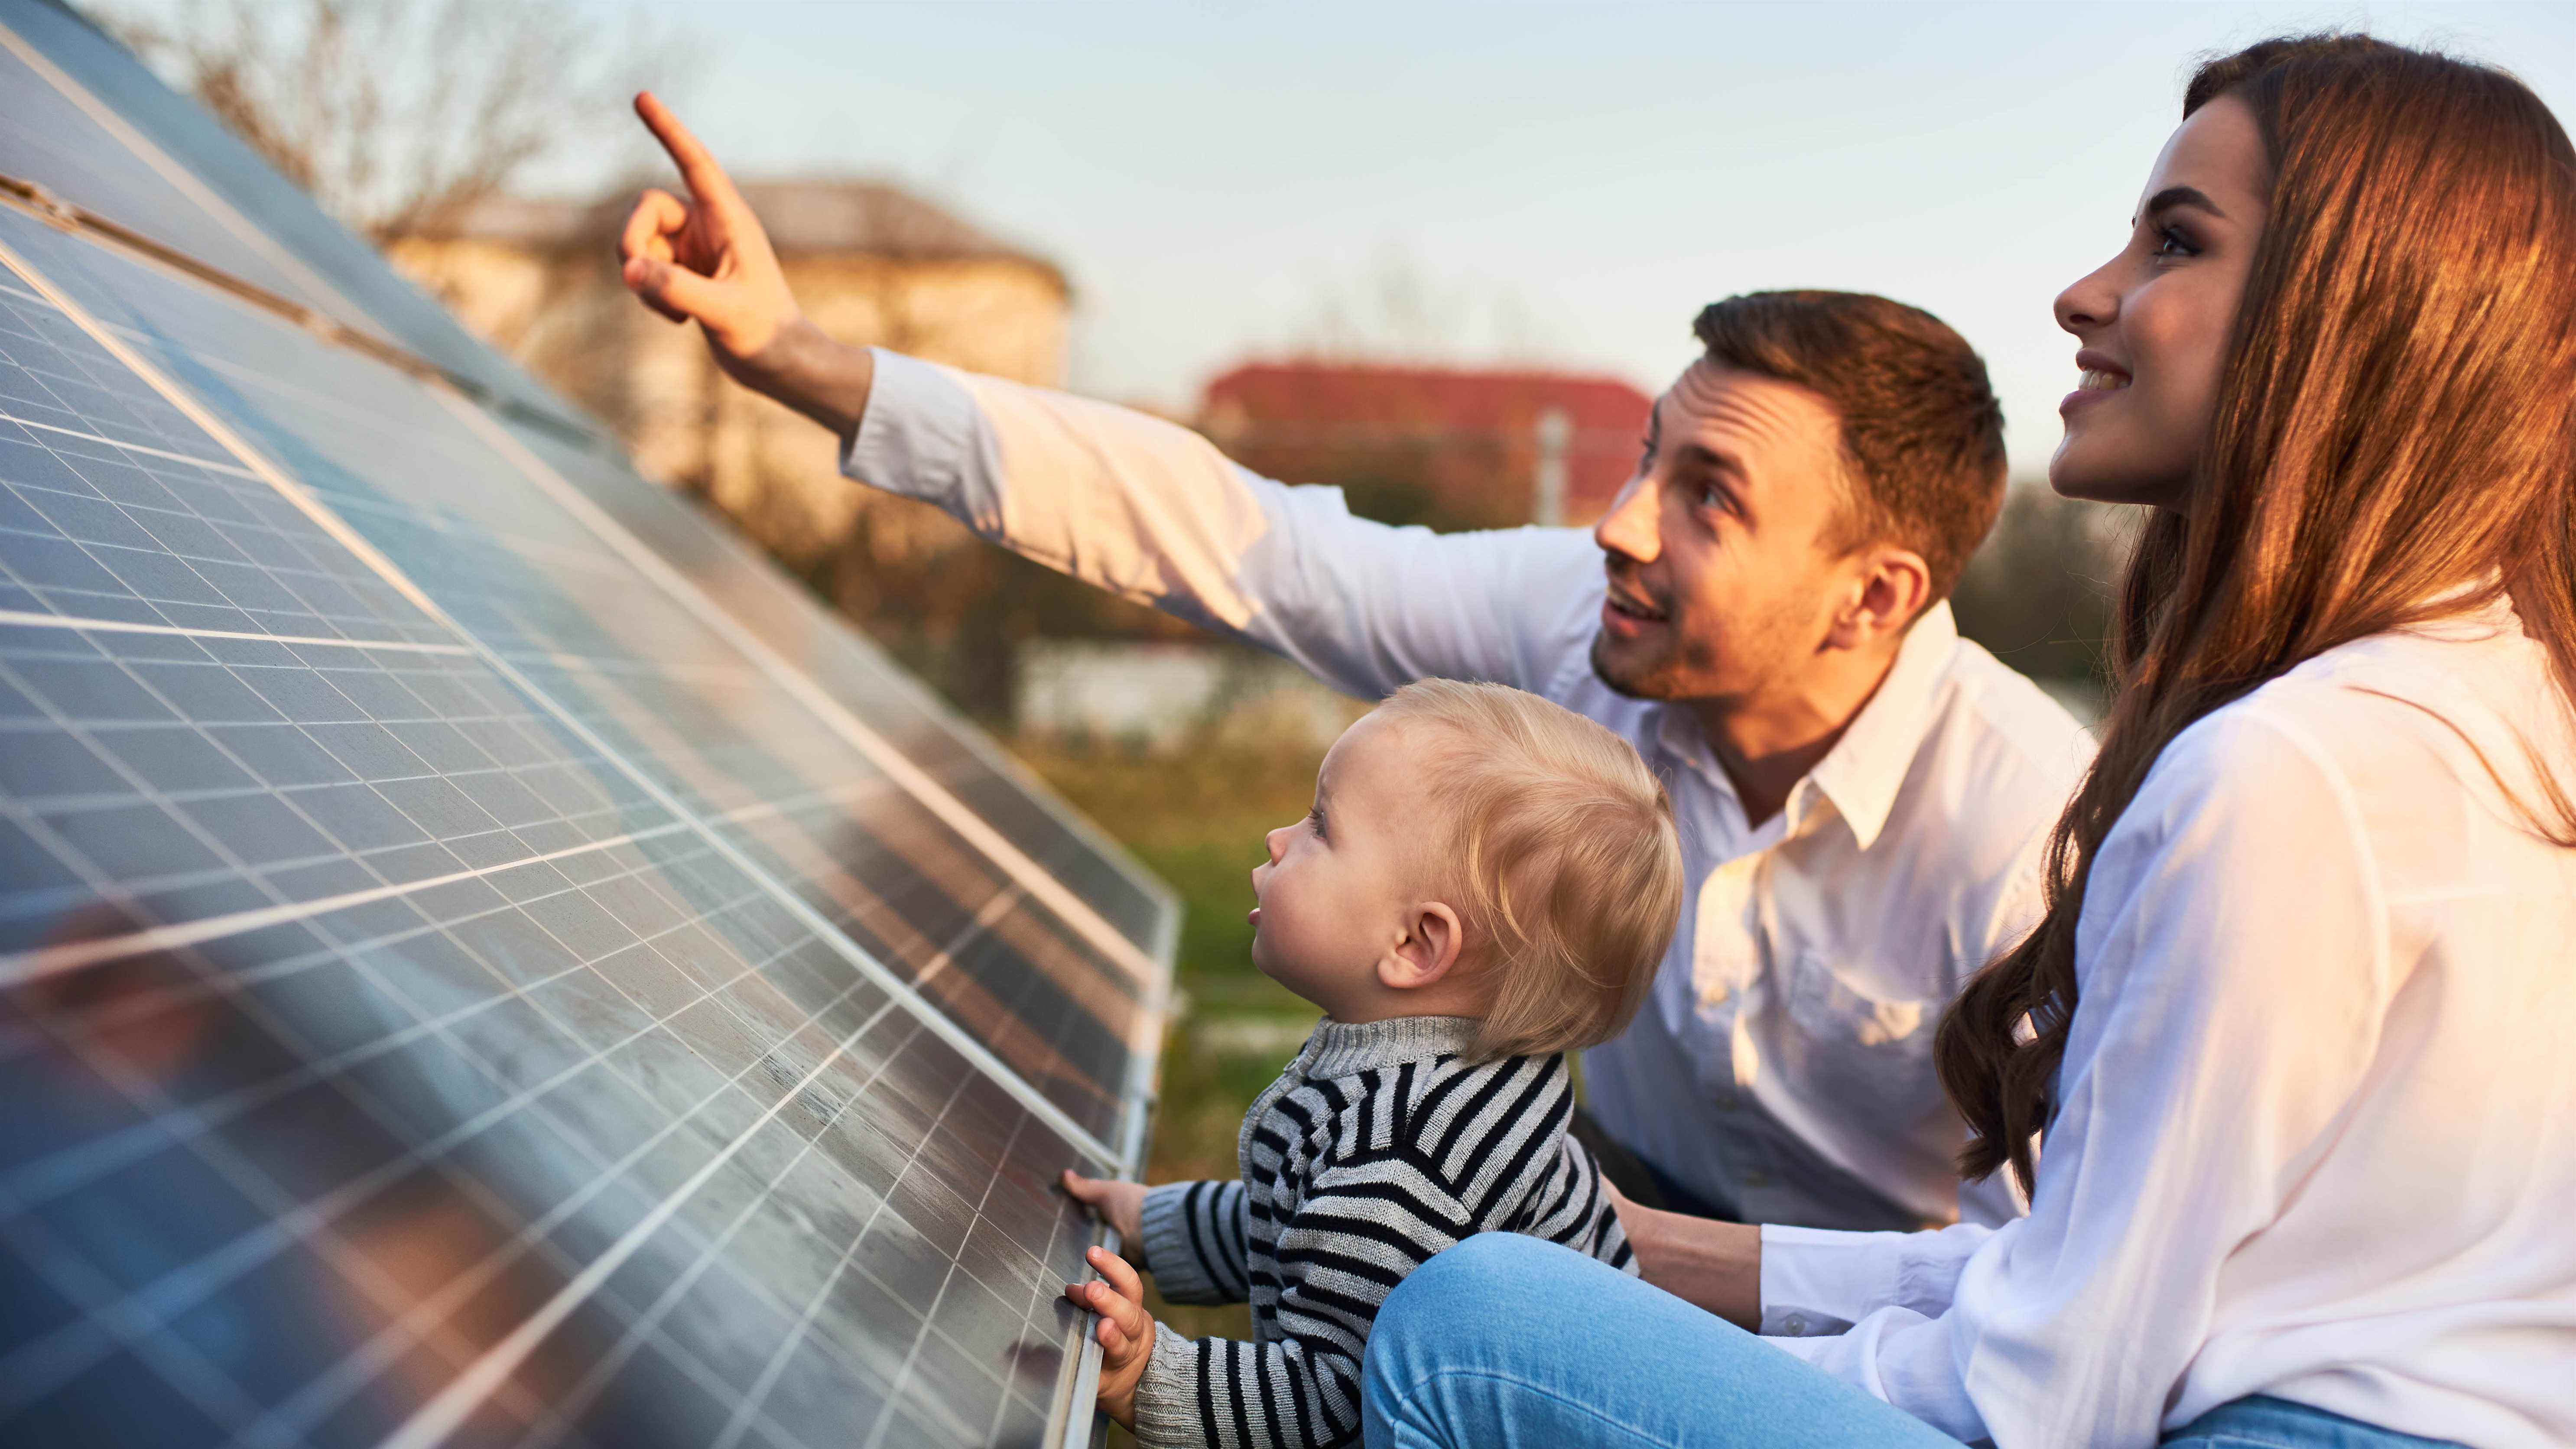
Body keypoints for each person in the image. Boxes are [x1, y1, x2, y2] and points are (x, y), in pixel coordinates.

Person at [1358, 32, 2576, 1449]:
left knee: (1470, 1331)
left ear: (2350, 320)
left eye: (2174, 242)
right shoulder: (2512, 700)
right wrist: (1648, 1257)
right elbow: (2083, 1267)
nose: (2083, 293)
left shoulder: (2282, 777)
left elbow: (2046, 1394)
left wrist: (1600, 1344)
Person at [614, 98, 2095, 1235]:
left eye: (1708, 494)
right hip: (1613, 1202)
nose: (1619, 520)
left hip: (1888, 1343)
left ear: (1871, 594)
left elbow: (2044, 1299)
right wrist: (803, 358)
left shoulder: (2028, 835)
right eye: (1649, 455)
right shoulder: (1583, 623)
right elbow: (1239, 539)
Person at [1046, 678, 1681, 1446]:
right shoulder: (1448, 1075)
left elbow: (1334, 1402)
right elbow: (1299, 1226)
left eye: (1320, 826)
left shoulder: (1402, 1160)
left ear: (1415, 946)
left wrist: (1150, 1375)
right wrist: (1154, 1223)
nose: (1279, 839)